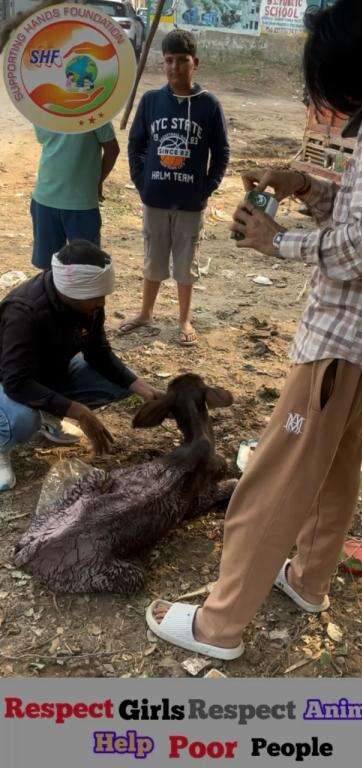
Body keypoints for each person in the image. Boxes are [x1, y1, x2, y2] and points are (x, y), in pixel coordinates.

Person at [144, 0, 362, 659]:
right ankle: (308, 579)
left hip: (345, 333)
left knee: (274, 475)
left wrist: (280, 245)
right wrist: (306, 186)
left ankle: (219, 625)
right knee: (332, 463)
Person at [0, 240, 159, 491]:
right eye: (96, 297)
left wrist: (140, 387)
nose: (102, 304)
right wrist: (79, 412)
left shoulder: (88, 305)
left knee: (118, 383)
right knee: (22, 419)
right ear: (70, 292)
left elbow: (99, 353)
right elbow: (16, 382)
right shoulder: (24, 312)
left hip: (49, 372)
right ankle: (2, 443)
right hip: (8, 381)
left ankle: (49, 416)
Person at [122, 29, 230, 346]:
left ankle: (184, 320)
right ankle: (145, 313)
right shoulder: (152, 101)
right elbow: (136, 144)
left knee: (185, 264)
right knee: (153, 259)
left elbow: (221, 151)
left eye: (182, 61)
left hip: (190, 202)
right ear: (163, 64)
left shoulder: (209, 105)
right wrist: (141, 182)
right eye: (169, 61)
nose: (175, 67)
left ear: (194, 62)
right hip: (155, 198)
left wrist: (207, 187)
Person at [30, 124, 120, 270]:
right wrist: (97, 181)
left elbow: (112, 150)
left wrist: (97, 181)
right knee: (72, 269)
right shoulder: (96, 111)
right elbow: (112, 150)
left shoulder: (96, 113)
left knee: (85, 269)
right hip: (56, 200)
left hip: (60, 201)